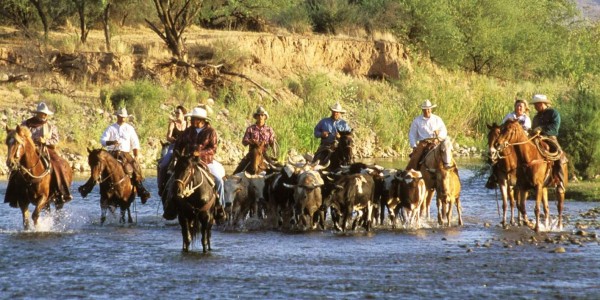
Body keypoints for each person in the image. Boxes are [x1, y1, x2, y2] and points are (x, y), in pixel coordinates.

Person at [163, 105, 226, 220]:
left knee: (218, 181)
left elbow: (213, 148)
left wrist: (200, 153)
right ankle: (170, 206)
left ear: (201, 120)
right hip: (188, 161)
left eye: (193, 119)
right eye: (191, 119)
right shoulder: (188, 131)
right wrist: (178, 154)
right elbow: (179, 144)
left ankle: (220, 207)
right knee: (173, 180)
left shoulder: (211, 132)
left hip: (206, 162)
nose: (191, 121)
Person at [5, 102, 73, 207]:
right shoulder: (26, 124)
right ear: (37, 113)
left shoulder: (50, 126)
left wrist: (45, 141)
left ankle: (62, 191)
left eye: (46, 114)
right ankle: (14, 197)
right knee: (15, 170)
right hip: (27, 150)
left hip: (45, 149)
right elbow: (18, 136)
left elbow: (55, 140)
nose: (45, 115)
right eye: (42, 113)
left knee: (58, 164)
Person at [100, 107, 151, 203]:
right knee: (99, 167)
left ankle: (141, 189)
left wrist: (136, 156)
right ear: (117, 116)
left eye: (124, 117)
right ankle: (92, 185)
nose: (123, 118)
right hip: (112, 153)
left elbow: (135, 143)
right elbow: (102, 141)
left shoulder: (130, 128)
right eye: (121, 116)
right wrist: (111, 142)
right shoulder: (111, 128)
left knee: (135, 167)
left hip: (125, 153)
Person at [530, 94, 567, 192]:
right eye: (535, 105)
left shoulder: (553, 113)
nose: (535, 106)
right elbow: (533, 128)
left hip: (550, 138)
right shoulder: (536, 117)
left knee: (558, 154)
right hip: (536, 138)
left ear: (544, 103)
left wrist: (541, 129)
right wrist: (532, 131)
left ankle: (560, 181)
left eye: (537, 104)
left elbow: (555, 128)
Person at [405, 99, 449, 170]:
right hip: (423, 144)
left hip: (437, 142)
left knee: (447, 153)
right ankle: (409, 174)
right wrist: (414, 146)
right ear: (422, 110)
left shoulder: (437, 119)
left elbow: (444, 131)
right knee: (415, 159)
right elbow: (412, 134)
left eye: (428, 109)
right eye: (425, 109)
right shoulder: (417, 121)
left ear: (431, 109)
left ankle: (451, 169)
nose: (427, 111)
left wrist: (438, 138)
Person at [233, 106, 277, 174]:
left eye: (262, 115)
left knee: (274, 168)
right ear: (256, 117)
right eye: (258, 115)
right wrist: (251, 141)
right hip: (252, 153)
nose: (260, 117)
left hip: (263, 153)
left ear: (265, 117)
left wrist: (273, 149)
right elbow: (244, 142)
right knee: (240, 168)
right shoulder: (250, 129)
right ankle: (233, 178)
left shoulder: (269, 130)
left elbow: (272, 142)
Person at [157, 105, 187, 195]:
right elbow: (168, 137)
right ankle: (161, 186)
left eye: (178, 113)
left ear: (183, 114)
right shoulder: (173, 123)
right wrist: (173, 139)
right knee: (164, 164)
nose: (177, 114)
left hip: (185, 147)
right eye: (176, 113)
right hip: (174, 146)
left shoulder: (188, 124)